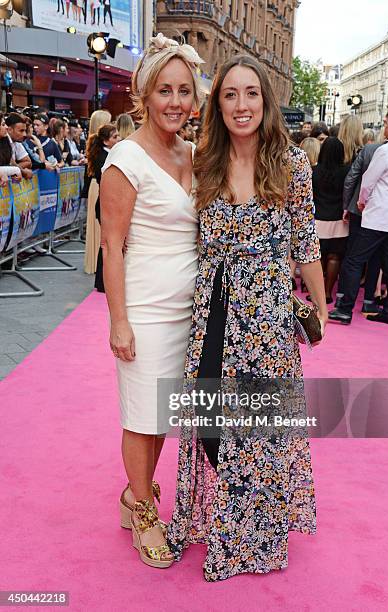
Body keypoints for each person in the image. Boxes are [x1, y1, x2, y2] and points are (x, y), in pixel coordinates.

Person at [167, 54, 327, 582]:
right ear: (218, 104)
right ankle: (225, 523)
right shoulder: (203, 161)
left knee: (262, 432)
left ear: (266, 100)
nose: (242, 104)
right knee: (213, 425)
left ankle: (254, 539)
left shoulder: (292, 164)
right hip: (214, 313)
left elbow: (304, 243)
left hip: (268, 316)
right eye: (230, 94)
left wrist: (320, 306)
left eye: (251, 93)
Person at [100, 33, 204, 569]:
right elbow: (111, 247)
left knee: (162, 416)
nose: (175, 102)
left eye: (185, 91)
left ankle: (134, 497)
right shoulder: (125, 157)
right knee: (142, 417)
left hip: (191, 312)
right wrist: (119, 320)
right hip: (144, 309)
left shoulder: (193, 153)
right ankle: (144, 513)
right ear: (145, 93)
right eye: (165, 90)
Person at [329, 106, 388, 325]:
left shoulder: (386, 151)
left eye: (385, 123)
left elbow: (368, 182)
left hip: (377, 215)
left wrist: (362, 203)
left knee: (354, 260)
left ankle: (344, 310)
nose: (384, 127)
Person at [335, 140, 384, 314]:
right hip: (384, 214)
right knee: (375, 258)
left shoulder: (369, 149)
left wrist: (347, 205)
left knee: (352, 256)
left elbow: (351, 178)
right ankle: (368, 300)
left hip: (359, 208)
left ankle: (343, 299)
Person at [312, 137, 350, 303]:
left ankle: (319, 294)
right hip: (340, 220)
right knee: (335, 257)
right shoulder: (346, 171)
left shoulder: (315, 171)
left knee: (319, 258)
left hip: (319, 219)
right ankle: (328, 293)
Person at [86, 123, 119, 291]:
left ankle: (104, 281)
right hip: (106, 204)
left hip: (109, 203)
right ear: (106, 141)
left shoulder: (108, 155)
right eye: (115, 137)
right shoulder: (103, 158)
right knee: (107, 243)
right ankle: (102, 282)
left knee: (108, 242)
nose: (119, 139)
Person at [83, 109, 111, 275]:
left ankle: (95, 263)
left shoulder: (95, 144)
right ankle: (95, 263)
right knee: (98, 227)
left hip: (96, 185)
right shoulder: (97, 146)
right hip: (97, 185)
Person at [0, 112, 22, 182]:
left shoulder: (5, 139)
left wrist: (18, 170)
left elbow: (8, 163)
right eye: (3, 125)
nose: (6, 127)